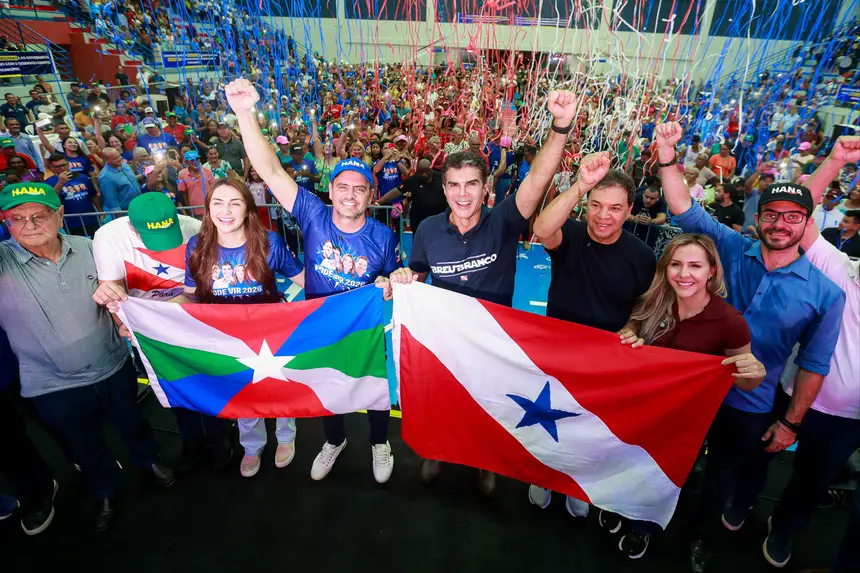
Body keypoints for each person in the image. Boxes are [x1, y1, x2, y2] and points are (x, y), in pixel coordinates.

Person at [652, 121, 846, 573]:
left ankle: (701, 537)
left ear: (807, 224)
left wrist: (791, 424)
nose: (780, 224)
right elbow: (682, 206)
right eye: (771, 214)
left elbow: (815, 365)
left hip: (750, 402)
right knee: (666, 456)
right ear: (757, 218)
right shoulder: (733, 246)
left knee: (721, 476)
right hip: (690, 384)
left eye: (792, 216)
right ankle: (648, 518)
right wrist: (666, 153)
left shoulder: (825, 294)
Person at [388, 91, 580, 495]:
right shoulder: (426, 231)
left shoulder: (503, 222)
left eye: (471, 184)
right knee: (442, 400)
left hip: (494, 340)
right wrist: (406, 277)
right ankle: (437, 450)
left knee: (490, 405)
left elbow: (537, 179)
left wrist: (560, 126)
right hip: (446, 339)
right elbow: (420, 275)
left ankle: (483, 462)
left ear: (485, 189)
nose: (462, 194)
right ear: (444, 190)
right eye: (454, 185)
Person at [227, 78, 398, 484]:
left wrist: (391, 282)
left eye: (359, 190)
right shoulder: (312, 214)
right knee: (325, 389)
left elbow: (390, 276)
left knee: (374, 390)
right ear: (331, 190)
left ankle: (380, 443)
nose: (350, 196)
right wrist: (245, 114)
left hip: (363, 332)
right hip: (319, 325)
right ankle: (334, 441)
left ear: (370, 194)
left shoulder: (383, 236)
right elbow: (269, 169)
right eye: (343, 187)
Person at [0, 182, 175, 532]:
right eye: (17, 219)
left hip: (112, 363)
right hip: (50, 382)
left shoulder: (90, 247)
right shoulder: (4, 261)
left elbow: (117, 288)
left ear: (59, 215)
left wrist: (122, 309)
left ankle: (147, 459)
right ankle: (104, 489)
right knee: (83, 443)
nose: (30, 225)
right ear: (5, 222)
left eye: (39, 215)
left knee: (131, 421)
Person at [598, 233, 765, 558]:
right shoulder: (654, 299)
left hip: (681, 425)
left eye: (694, 265)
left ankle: (643, 527)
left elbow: (744, 381)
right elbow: (637, 319)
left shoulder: (729, 322)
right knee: (625, 462)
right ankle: (618, 506)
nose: (684, 274)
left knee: (656, 478)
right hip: (638, 410)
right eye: (676, 264)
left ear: (712, 271)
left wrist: (754, 373)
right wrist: (631, 330)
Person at [749, 137, 860, 569]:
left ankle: (785, 529)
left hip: (846, 420)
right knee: (760, 456)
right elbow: (793, 213)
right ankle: (742, 505)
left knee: (813, 481)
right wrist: (834, 161)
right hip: (793, 394)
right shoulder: (841, 271)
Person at [92, 193, 235, 471]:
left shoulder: (193, 227)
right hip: (151, 329)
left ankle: (220, 436)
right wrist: (121, 317)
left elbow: (208, 283)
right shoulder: (108, 236)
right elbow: (112, 286)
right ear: (133, 227)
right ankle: (191, 439)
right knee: (174, 384)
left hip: (192, 318)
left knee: (210, 379)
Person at [184, 178, 304, 477]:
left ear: (248, 208)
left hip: (271, 334)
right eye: (218, 203)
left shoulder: (268, 242)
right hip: (226, 338)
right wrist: (140, 313)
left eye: (235, 203)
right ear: (208, 209)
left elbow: (306, 281)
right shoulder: (197, 246)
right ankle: (252, 446)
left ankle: (286, 436)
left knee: (277, 388)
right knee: (243, 392)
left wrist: (361, 293)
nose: (226, 211)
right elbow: (189, 296)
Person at [0, 324, 57, 536]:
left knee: (53, 414)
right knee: (6, 444)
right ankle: (37, 493)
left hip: (21, 350)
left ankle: (89, 461)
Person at [377, 158, 447, 232]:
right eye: (421, 172)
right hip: (419, 221)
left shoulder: (442, 177)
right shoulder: (412, 180)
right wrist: (379, 202)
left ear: (431, 169)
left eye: (426, 172)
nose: (424, 174)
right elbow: (395, 192)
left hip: (439, 219)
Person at [45, 153, 101, 237]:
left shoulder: (82, 177)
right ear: (52, 168)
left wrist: (100, 211)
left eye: (64, 165)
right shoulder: (49, 182)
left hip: (91, 218)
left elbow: (93, 196)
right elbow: (51, 200)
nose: (62, 168)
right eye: (58, 166)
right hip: (70, 223)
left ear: (68, 164)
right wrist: (60, 183)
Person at [625, 183, 668, 248]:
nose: (648, 200)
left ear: (658, 198)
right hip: (630, 231)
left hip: (649, 235)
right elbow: (624, 212)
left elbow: (662, 218)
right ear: (643, 194)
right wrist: (633, 218)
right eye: (646, 196)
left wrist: (651, 221)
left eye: (652, 198)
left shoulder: (661, 202)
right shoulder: (636, 198)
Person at [99, 148, 141, 212]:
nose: (120, 159)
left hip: (139, 205)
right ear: (106, 160)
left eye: (119, 156)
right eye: (115, 158)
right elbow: (113, 203)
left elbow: (132, 181)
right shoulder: (105, 178)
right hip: (127, 212)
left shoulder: (125, 166)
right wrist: (121, 219)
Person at [178, 150, 215, 215]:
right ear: (187, 162)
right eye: (192, 160)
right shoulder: (182, 174)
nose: (195, 162)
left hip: (210, 209)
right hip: (194, 211)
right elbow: (184, 194)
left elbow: (213, 188)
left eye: (197, 159)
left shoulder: (207, 171)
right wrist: (189, 209)